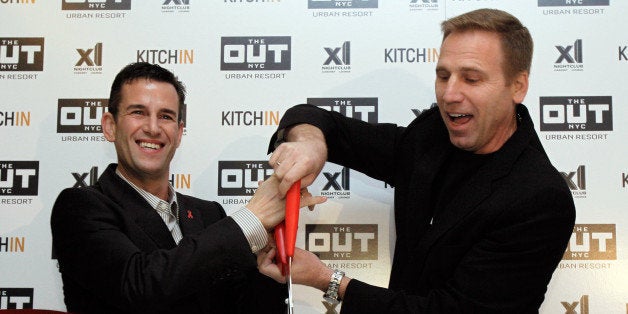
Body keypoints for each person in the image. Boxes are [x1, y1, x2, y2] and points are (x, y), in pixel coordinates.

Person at [259, 8, 576, 313]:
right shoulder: (432, 134)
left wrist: (327, 280)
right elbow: (314, 118)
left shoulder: (539, 199)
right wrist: (312, 144)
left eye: (471, 79)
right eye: (443, 75)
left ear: (517, 86)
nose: (449, 94)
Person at [50, 62, 325, 313]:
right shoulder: (79, 207)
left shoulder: (209, 215)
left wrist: (267, 256)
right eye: (138, 113)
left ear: (180, 133)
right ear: (110, 127)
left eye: (166, 116)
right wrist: (253, 217)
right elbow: (140, 285)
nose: (153, 128)